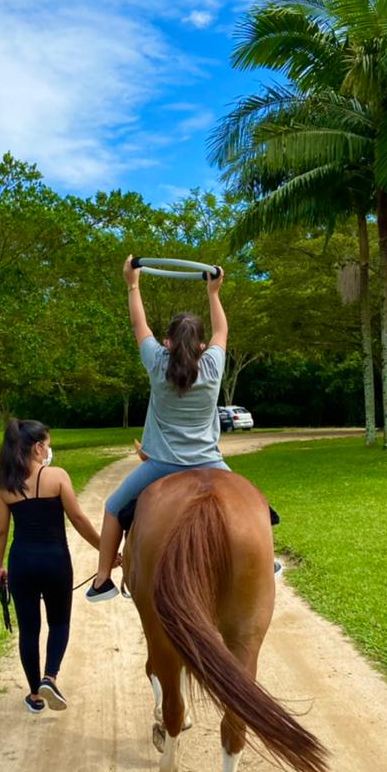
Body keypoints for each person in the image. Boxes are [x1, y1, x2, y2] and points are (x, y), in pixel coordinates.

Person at [86, 255, 232, 602]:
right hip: (210, 464)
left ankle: (103, 578)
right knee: (255, 505)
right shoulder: (211, 365)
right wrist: (214, 293)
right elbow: (222, 331)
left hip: (160, 466)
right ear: (200, 346)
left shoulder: (157, 363)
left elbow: (140, 327)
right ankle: (265, 559)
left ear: (167, 343)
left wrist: (133, 284)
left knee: (112, 507)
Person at [0, 419, 106, 712]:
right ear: (38, 447)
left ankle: (35, 696)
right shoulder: (56, 477)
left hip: (22, 563)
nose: (49, 450)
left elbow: (1, 531)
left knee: (29, 630)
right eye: (48, 444)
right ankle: (50, 676)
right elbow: (78, 519)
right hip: (55, 560)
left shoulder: (5, 485)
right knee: (59, 622)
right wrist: (105, 550)